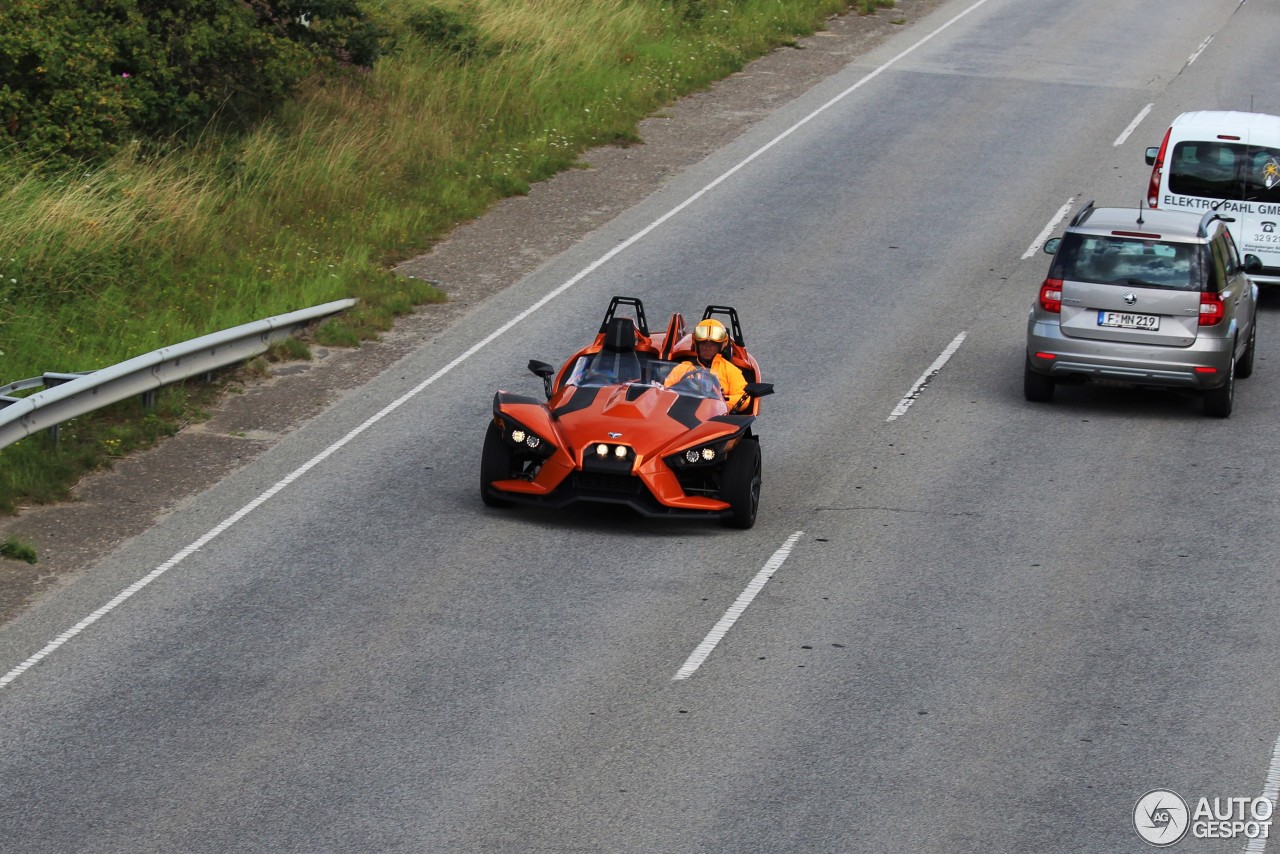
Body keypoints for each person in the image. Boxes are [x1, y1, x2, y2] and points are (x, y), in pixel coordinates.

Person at [665, 318, 748, 409]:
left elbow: (744, 397)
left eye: (712, 345)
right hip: (684, 414)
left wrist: (722, 401)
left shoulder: (731, 370)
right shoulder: (683, 367)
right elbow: (665, 391)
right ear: (696, 344)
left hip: (717, 418)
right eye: (703, 344)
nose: (707, 348)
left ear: (720, 346)